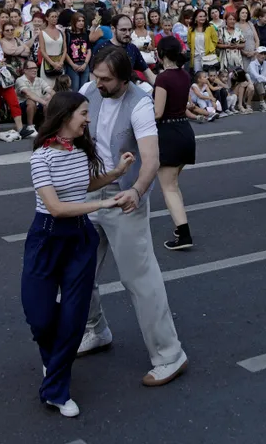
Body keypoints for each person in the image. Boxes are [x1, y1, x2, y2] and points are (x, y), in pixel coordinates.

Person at [76, 47, 188, 387]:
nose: (98, 83)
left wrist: (136, 192)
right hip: (91, 193)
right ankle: (95, 330)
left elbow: (151, 159)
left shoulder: (140, 101)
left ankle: (170, 355)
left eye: (106, 79)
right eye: (95, 76)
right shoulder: (88, 91)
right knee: (79, 271)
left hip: (125, 196)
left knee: (139, 278)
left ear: (124, 78)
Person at [20, 92, 132, 419]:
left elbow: (86, 184)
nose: (88, 119)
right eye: (84, 113)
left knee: (73, 316)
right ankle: (54, 358)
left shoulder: (81, 151)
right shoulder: (41, 157)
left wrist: (115, 173)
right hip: (47, 237)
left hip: (81, 238)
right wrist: (103, 203)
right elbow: (54, 207)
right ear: (66, 114)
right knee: (39, 315)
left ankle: (56, 389)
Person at [153, 35, 197, 251]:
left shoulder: (163, 79)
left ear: (161, 54)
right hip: (185, 131)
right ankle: (180, 229)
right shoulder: (184, 75)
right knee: (173, 184)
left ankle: (184, 233)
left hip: (169, 133)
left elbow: (158, 112)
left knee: (168, 187)